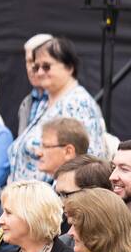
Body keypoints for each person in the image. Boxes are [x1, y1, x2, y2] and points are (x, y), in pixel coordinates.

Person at [8, 36, 106, 183]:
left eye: (46, 66)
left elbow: (88, 162)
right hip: (27, 200)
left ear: (69, 67)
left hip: (51, 202)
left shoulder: (77, 104)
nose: (39, 72)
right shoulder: (44, 103)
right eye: (36, 67)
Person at [16, 34, 54, 136]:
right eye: (29, 61)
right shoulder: (26, 103)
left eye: (37, 61)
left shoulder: (65, 102)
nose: (32, 67)